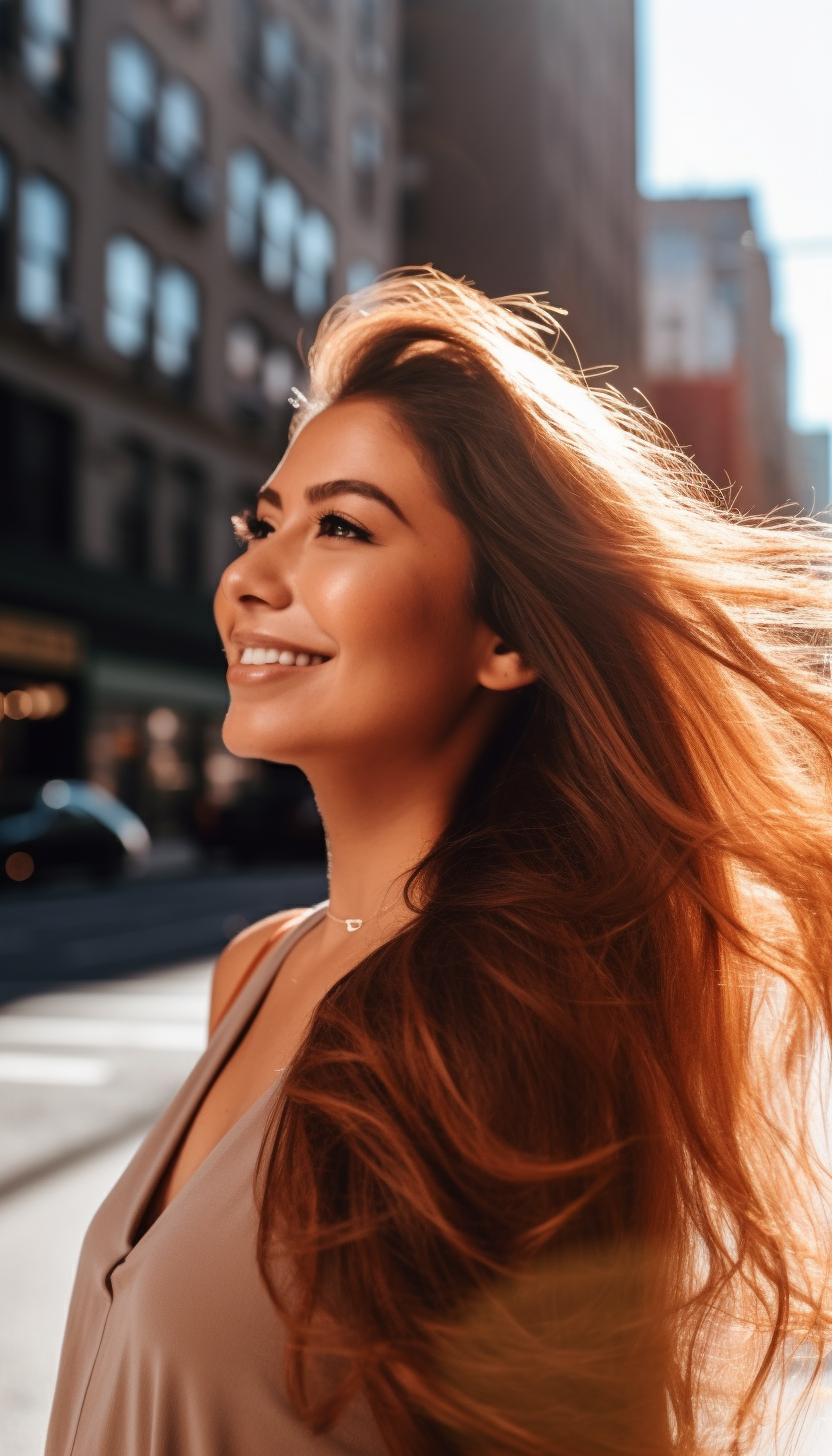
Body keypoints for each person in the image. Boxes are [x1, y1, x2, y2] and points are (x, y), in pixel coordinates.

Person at [47, 269, 832, 1456]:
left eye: (343, 528)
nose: (253, 579)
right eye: (264, 522)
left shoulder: (512, 1015)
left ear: (505, 635)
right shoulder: (257, 969)